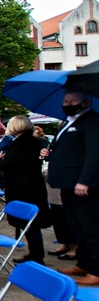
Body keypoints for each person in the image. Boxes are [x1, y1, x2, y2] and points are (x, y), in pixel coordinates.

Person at [46, 91, 99, 286]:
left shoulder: (92, 121)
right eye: (66, 100)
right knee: (76, 225)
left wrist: (85, 180)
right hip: (66, 183)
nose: (68, 104)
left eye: (73, 101)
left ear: (85, 102)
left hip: (81, 184)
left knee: (90, 227)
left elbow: (94, 154)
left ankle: (96, 269)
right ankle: (83, 262)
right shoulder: (67, 121)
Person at [0, 116, 49, 264]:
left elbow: (10, 164)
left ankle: (36, 255)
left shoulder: (20, 143)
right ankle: (35, 253)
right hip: (32, 185)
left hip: (23, 187)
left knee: (29, 223)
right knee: (31, 224)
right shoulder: (34, 141)